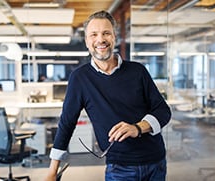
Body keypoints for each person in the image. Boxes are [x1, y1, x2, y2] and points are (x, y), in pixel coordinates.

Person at [44, 10, 171, 181]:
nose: (100, 39)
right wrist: (52, 172)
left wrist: (137, 128)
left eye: (106, 33)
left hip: (155, 161)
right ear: (87, 41)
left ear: (114, 37)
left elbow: (163, 111)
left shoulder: (137, 71)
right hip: (119, 167)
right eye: (93, 34)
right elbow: (66, 124)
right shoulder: (80, 78)